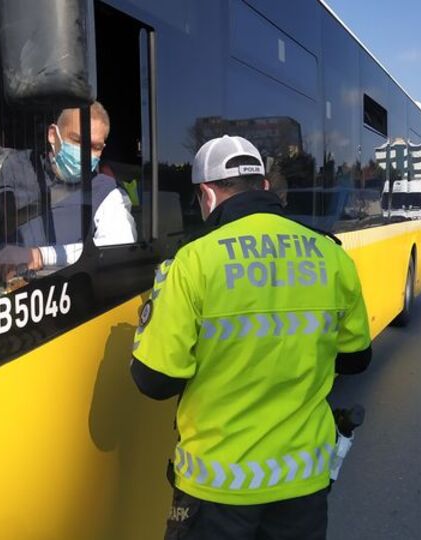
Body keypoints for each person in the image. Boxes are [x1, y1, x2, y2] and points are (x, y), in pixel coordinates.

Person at [130, 135, 373, 539]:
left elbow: (154, 380)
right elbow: (356, 359)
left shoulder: (194, 262)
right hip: (303, 480)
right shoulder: (330, 256)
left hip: (216, 487)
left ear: (206, 194)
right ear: (263, 186)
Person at [0, 102, 136, 283]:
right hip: (5, 296)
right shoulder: (15, 166)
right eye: (78, 141)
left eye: (95, 147)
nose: (85, 154)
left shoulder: (107, 192)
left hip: (71, 300)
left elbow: (117, 249)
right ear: (53, 135)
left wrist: (39, 256)